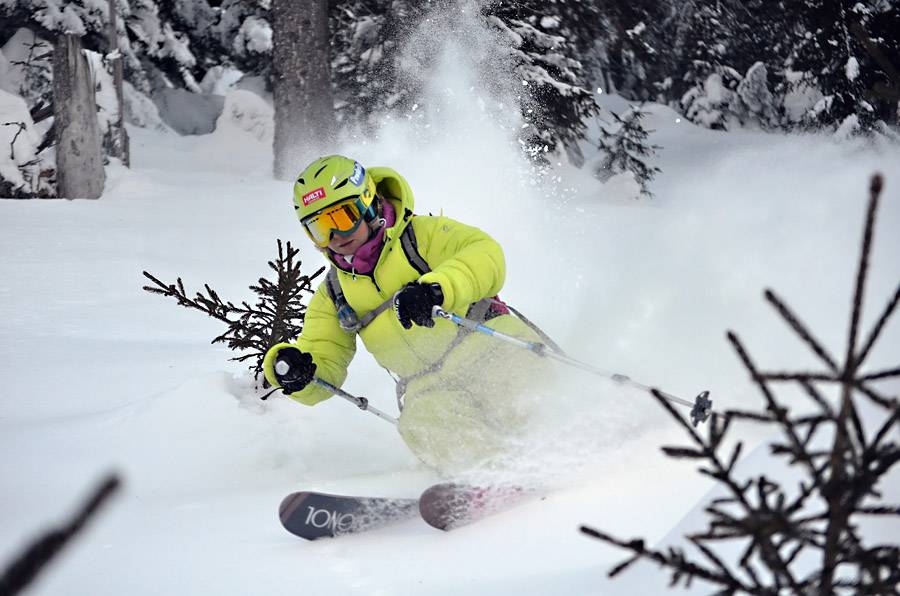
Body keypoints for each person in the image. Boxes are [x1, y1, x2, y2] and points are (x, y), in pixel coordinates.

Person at [262, 155, 549, 472]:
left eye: (342, 218)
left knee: (522, 396)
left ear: (368, 203)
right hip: (430, 388)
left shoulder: (421, 237)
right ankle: (490, 478)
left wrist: (436, 289)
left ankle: (567, 448)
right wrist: (301, 374)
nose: (335, 236)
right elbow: (324, 359)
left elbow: (485, 254)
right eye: (319, 228)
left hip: (490, 349)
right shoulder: (334, 294)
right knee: (421, 424)